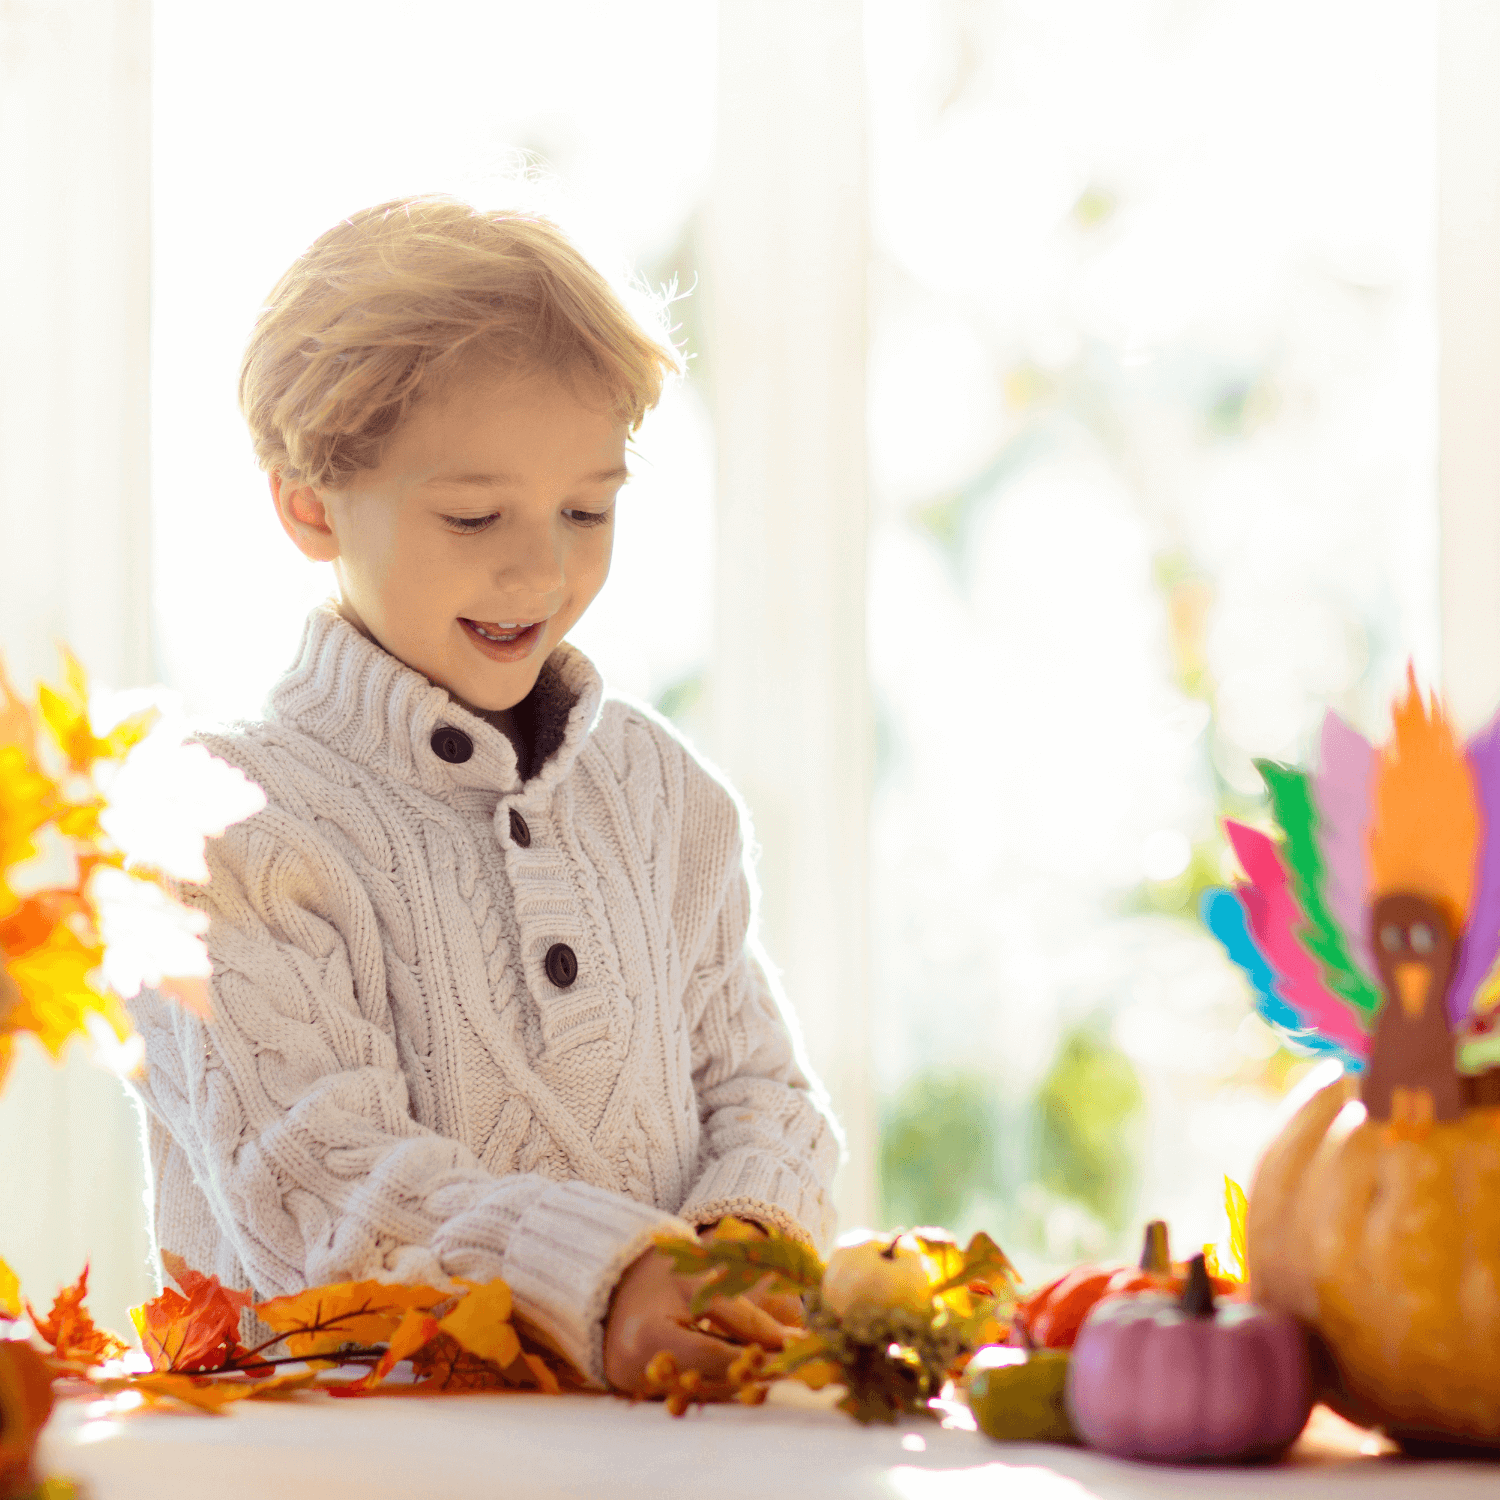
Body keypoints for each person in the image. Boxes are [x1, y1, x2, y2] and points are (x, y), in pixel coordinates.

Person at [128, 196, 840, 1393]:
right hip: (346, 1457)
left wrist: (736, 1248)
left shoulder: (663, 797)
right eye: (473, 515)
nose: (541, 567)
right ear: (309, 503)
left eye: (587, 509)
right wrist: (609, 1281)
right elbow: (319, 1188)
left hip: (663, 1449)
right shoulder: (217, 826)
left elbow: (762, 1092)